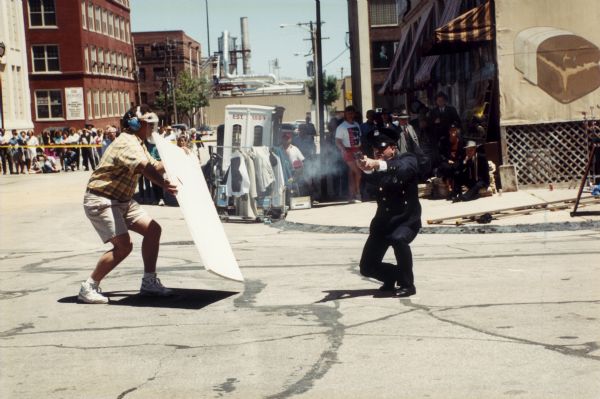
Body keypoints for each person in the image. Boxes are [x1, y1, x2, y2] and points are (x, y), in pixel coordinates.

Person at [77, 105, 178, 304]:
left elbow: (154, 165)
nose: (151, 129)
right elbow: (143, 168)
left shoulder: (138, 143)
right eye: (148, 124)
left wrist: (177, 156)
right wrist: (163, 184)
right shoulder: (127, 142)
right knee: (124, 246)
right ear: (134, 123)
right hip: (102, 199)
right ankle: (88, 287)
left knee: (153, 230)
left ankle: (149, 282)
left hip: (121, 200)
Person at [356, 127, 421, 297]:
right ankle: (393, 277)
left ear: (393, 147)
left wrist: (377, 164)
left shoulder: (408, 159)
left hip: (406, 219)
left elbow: (402, 168)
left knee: (398, 239)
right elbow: (366, 191)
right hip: (384, 222)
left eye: (382, 148)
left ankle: (408, 285)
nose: (378, 152)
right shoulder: (378, 168)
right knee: (367, 267)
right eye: (375, 150)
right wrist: (366, 168)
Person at [335, 105, 363, 203]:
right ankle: (358, 193)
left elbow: (359, 138)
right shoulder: (341, 127)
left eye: (352, 113)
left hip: (357, 150)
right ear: (345, 115)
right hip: (348, 151)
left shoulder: (356, 124)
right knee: (358, 173)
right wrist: (343, 149)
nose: (351, 115)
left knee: (352, 173)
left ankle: (351, 196)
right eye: (349, 113)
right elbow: (337, 141)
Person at [427, 92, 461, 169]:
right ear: (436, 102)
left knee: (449, 152)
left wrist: (452, 126)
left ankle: (451, 166)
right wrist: (434, 122)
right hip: (437, 136)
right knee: (439, 152)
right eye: (438, 101)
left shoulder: (451, 110)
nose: (440, 102)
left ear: (445, 101)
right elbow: (429, 124)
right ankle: (440, 168)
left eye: (442, 100)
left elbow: (457, 121)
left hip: (449, 135)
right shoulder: (433, 111)